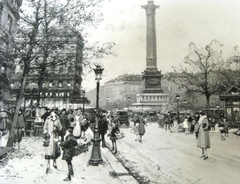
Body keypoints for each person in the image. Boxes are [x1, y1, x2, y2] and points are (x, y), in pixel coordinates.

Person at [43, 109, 62, 173]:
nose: (53, 113)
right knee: (48, 150)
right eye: (52, 112)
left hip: (55, 136)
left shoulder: (57, 119)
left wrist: (57, 128)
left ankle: (54, 162)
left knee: (55, 150)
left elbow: (60, 127)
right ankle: (48, 165)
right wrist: (46, 133)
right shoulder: (48, 119)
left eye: (54, 112)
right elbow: (45, 127)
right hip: (49, 137)